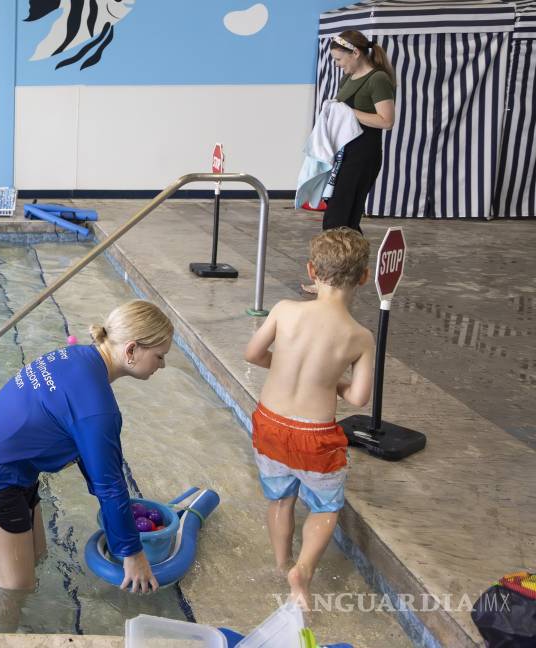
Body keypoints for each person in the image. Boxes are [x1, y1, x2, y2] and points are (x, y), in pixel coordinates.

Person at [0, 300, 173, 629]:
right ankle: (1, 637)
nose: (163, 365)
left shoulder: (75, 356)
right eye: (160, 356)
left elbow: (92, 462)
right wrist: (132, 553)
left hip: (9, 471)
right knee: (14, 591)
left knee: (37, 557)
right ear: (132, 349)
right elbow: (110, 485)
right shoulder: (98, 408)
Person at [244, 227, 376, 609]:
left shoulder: (285, 310)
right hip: (314, 435)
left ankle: (281, 562)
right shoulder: (359, 336)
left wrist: (281, 365)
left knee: (280, 501)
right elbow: (359, 397)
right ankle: (302, 570)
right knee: (325, 507)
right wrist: (334, 384)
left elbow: (252, 353)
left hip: (269, 422)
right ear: (364, 277)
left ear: (311, 270)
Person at [304, 30, 395, 294]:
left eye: (340, 59)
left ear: (356, 53)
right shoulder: (349, 77)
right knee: (346, 219)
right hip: (344, 156)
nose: (337, 65)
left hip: (362, 156)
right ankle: (350, 274)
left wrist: (348, 111)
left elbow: (386, 121)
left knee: (338, 219)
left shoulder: (378, 80)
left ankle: (330, 279)